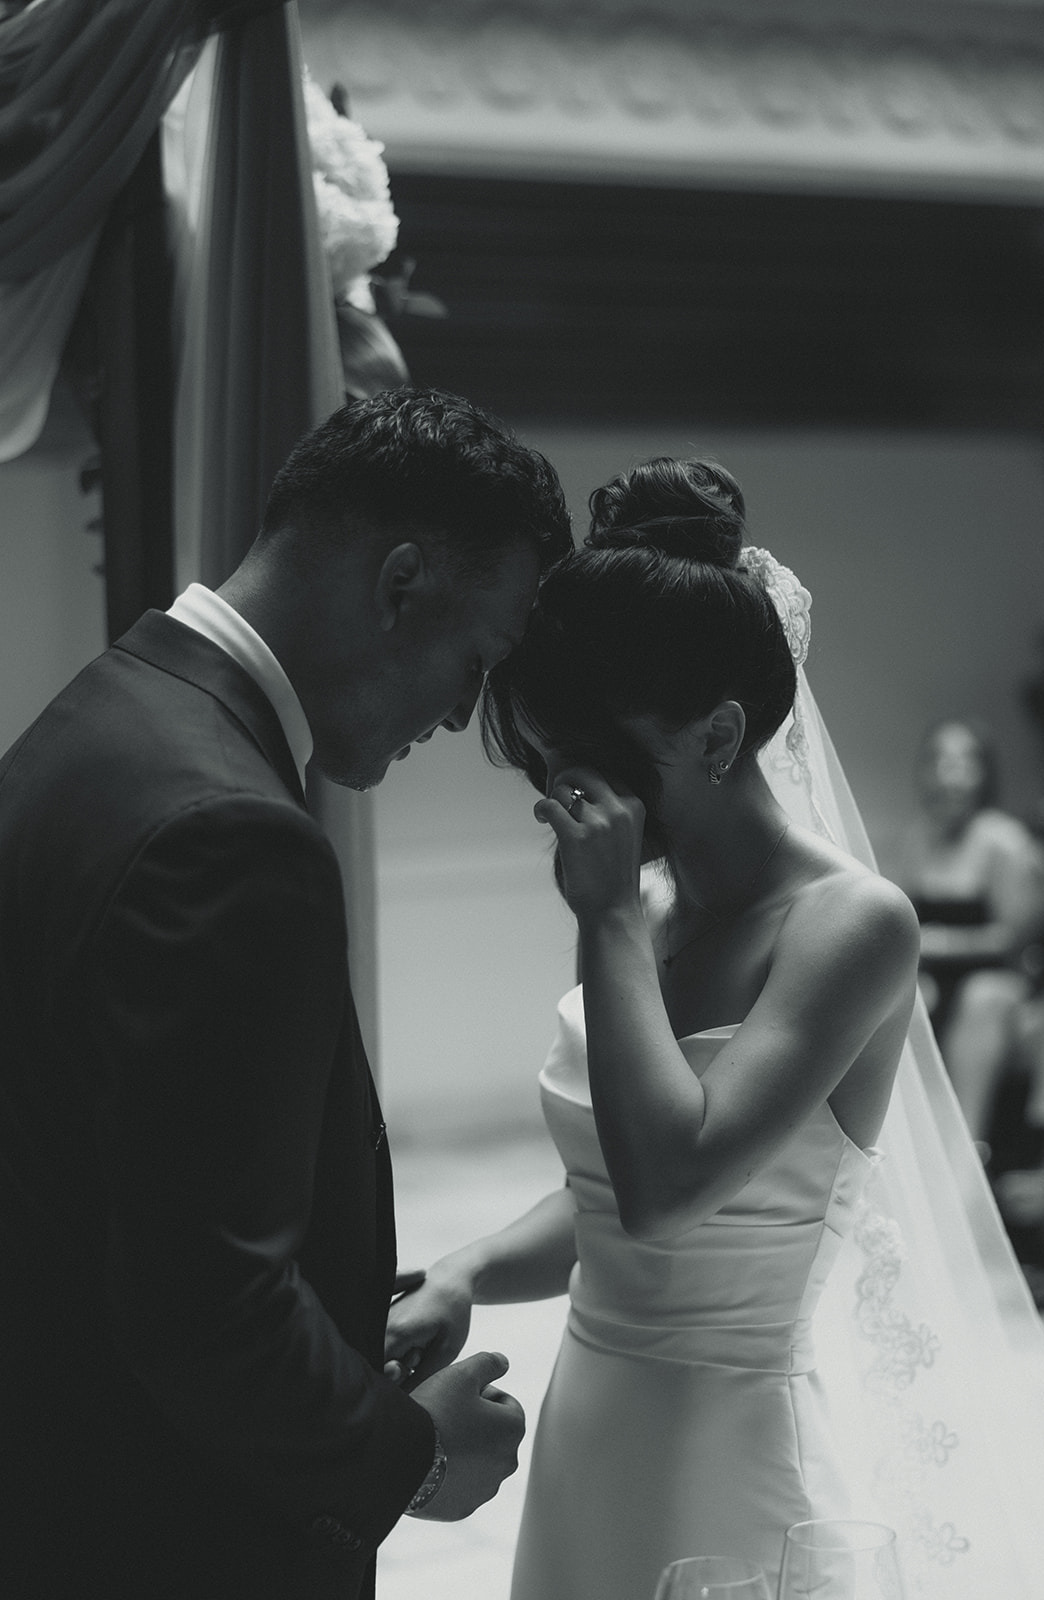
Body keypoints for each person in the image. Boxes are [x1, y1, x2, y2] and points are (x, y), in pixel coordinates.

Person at [0, 387, 572, 1600]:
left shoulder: (98, 719)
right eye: (478, 660)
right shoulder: (233, 833)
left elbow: (126, 1174)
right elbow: (205, 1300)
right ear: (401, 582)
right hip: (157, 1528)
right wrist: (413, 1456)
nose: (463, 711)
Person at [385, 457, 924, 1597]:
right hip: (595, 1425)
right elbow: (599, 1200)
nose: (560, 796)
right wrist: (465, 1267)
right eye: (541, 760)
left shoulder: (848, 926)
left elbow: (667, 1187)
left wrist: (607, 915)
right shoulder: (657, 903)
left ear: (720, 735)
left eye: (591, 761)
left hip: (731, 1458)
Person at [899, 718, 1044, 1147]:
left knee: (982, 997)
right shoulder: (917, 839)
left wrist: (941, 943)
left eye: (964, 763)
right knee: (902, 993)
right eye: (939, 762)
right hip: (933, 979)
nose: (950, 776)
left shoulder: (1003, 840)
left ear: (984, 775)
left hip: (1002, 982)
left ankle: (967, 1151)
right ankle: (906, 1145)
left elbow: (1014, 939)